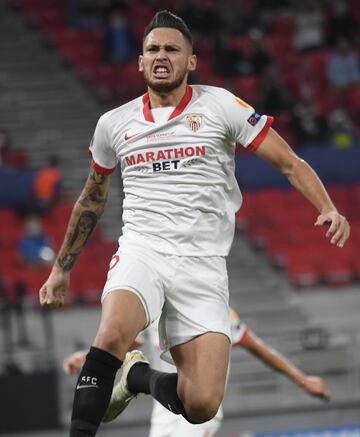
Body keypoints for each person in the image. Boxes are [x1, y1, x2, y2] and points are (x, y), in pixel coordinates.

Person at [38, 10, 350, 437]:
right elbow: (91, 197)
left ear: (191, 61)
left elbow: (289, 163)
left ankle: (136, 377)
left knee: (201, 405)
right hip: (142, 250)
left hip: (203, 264)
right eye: (152, 49)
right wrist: (61, 268)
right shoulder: (113, 124)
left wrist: (327, 207)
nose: (161, 56)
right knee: (111, 334)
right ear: (140, 62)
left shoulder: (220, 105)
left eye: (171, 49)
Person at [63, 309, 330, 437]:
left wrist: (303, 381)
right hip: (164, 410)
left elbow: (258, 348)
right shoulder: (153, 310)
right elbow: (121, 343)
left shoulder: (218, 311)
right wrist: (87, 357)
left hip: (200, 405)